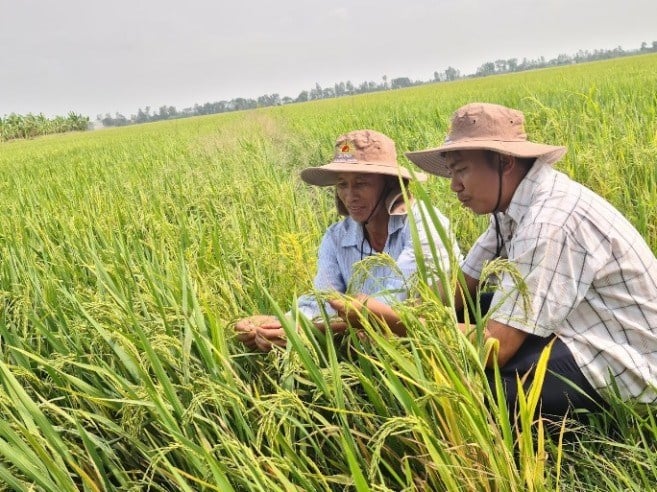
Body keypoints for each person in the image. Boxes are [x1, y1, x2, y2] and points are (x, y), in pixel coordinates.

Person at [405, 102, 657, 419]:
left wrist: (400, 325)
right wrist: (406, 312)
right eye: (452, 172)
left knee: (475, 395)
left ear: (504, 162)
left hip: (626, 360)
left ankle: (574, 431)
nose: (455, 185)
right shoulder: (511, 208)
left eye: (461, 170)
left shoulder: (548, 222)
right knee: (475, 307)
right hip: (576, 325)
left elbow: (494, 347)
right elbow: (461, 289)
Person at [235, 129, 460, 352]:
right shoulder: (336, 237)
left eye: (361, 183)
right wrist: (277, 323)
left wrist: (307, 329)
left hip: (430, 344)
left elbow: (394, 304)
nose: (350, 196)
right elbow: (323, 299)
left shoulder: (426, 226)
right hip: (367, 346)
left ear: (390, 185)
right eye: (342, 184)